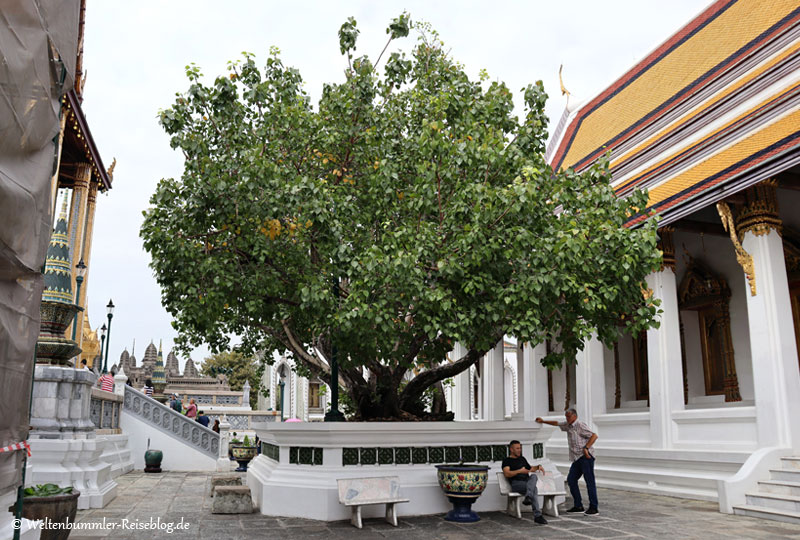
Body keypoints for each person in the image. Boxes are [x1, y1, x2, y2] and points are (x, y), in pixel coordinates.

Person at [536, 409, 599, 515]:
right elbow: (556, 423)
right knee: (571, 480)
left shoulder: (580, 425)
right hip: (576, 458)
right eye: (566, 416)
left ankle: (594, 507)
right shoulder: (568, 425)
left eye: (569, 416)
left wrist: (586, 448)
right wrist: (543, 421)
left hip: (585, 457)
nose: (567, 418)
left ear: (575, 416)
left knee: (589, 482)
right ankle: (578, 505)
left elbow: (594, 436)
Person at [501, 440, 548, 525]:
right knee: (534, 489)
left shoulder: (522, 459)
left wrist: (538, 467)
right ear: (511, 449)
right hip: (516, 483)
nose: (519, 450)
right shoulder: (507, 461)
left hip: (527, 482)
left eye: (520, 448)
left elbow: (530, 469)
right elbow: (507, 473)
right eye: (517, 448)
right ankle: (537, 516)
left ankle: (528, 496)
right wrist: (519, 471)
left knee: (533, 476)